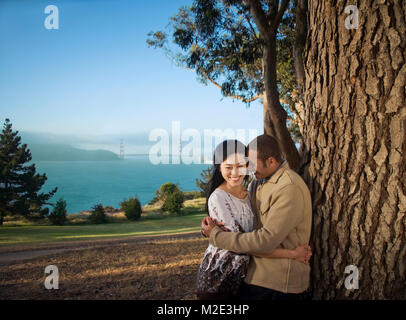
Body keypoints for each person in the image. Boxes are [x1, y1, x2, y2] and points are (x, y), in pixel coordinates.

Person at [196, 139, 312, 300]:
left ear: (271, 161)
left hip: (271, 282)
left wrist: (214, 235)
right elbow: (241, 242)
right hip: (222, 278)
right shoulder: (255, 184)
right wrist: (292, 254)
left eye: (246, 164)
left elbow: (261, 239)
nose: (241, 171)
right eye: (229, 167)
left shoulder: (283, 187)